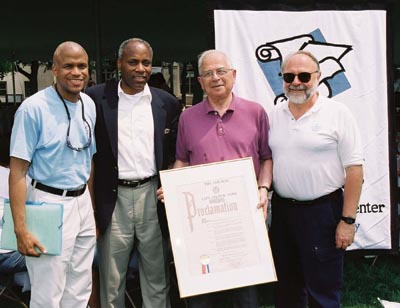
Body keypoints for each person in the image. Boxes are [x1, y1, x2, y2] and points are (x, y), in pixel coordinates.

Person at [158, 49, 273, 308]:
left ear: (233, 75)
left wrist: (263, 188)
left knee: (245, 293)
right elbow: (182, 160)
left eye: (221, 71)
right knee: (202, 291)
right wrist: (173, 188)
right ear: (200, 81)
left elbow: (266, 157)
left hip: (245, 213)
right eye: (208, 73)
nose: (215, 78)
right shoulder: (188, 117)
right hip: (202, 220)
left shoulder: (256, 112)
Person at [85, 37, 181, 308]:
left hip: (153, 196)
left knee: (157, 275)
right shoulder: (95, 99)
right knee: (111, 278)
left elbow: (174, 154)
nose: (141, 69)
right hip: (113, 199)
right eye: (133, 62)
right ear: (119, 64)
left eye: (146, 63)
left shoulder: (167, 103)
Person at [268, 50, 364, 308]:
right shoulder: (275, 114)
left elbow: (355, 170)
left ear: (318, 77)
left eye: (304, 75)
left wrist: (347, 220)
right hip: (283, 212)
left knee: (323, 289)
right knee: (286, 286)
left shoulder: (337, 113)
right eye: (289, 76)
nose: (296, 81)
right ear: (282, 79)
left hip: (323, 212)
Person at [8, 41, 97, 308]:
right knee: (48, 292)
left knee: (80, 287)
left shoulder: (88, 104)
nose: (76, 72)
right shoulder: (33, 108)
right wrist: (20, 229)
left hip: (82, 203)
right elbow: (17, 173)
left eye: (82, 66)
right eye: (68, 66)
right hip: (47, 204)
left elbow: (88, 160)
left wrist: (89, 207)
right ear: (54, 69)